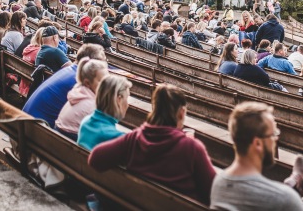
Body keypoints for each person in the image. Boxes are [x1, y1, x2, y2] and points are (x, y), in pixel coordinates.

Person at [89, 85, 217, 204]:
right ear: (181, 112)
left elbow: (95, 158)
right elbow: (214, 192)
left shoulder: (133, 139)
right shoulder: (191, 147)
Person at [210, 101, 303, 211]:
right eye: (273, 134)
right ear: (257, 143)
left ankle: (300, 188)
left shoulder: (218, 183)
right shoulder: (283, 198)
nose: (276, 138)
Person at [22, 44, 106, 127]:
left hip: (27, 122)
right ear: (93, 65)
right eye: (104, 61)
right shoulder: (79, 79)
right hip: (38, 128)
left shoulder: (68, 71)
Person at [55, 58, 109, 142]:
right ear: (87, 83)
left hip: (59, 141)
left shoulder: (77, 94)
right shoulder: (92, 106)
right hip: (72, 144)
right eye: (101, 81)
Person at [77, 75, 132, 150]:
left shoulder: (85, 122)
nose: (128, 105)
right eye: (127, 98)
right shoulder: (117, 137)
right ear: (118, 100)